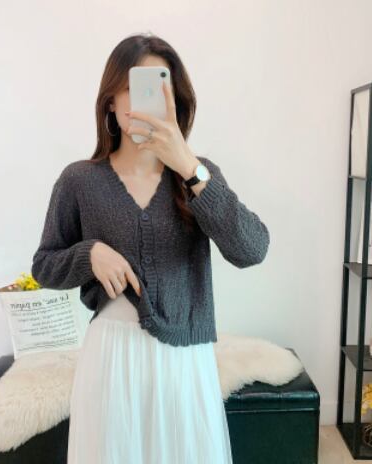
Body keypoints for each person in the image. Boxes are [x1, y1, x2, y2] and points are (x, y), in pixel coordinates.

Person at [32, 32, 270, 464]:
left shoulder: (198, 175)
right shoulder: (79, 180)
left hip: (184, 360)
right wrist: (89, 255)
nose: (148, 100)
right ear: (110, 101)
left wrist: (189, 168)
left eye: (161, 88)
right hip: (111, 357)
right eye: (134, 87)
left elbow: (252, 249)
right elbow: (44, 266)